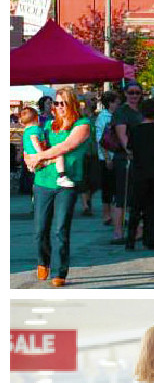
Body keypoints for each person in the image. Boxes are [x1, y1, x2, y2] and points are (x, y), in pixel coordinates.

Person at [23, 88, 93, 288]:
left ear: (72, 104)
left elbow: (66, 146)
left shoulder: (82, 124)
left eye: (63, 103)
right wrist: (29, 158)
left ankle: (59, 271)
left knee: (61, 228)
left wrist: (39, 157)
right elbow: (32, 145)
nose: (59, 107)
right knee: (40, 229)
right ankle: (42, 260)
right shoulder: (48, 125)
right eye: (56, 103)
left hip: (66, 182)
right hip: (43, 181)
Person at [125, 98, 154, 251]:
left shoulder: (135, 130)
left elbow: (130, 150)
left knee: (136, 208)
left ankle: (130, 240)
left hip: (139, 172)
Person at [111, 82, 146, 243]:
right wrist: (129, 151)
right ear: (125, 94)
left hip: (141, 157)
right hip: (124, 157)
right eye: (131, 92)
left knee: (137, 195)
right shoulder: (121, 112)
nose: (134, 96)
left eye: (137, 93)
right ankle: (118, 232)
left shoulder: (142, 110)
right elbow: (122, 135)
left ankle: (138, 229)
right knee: (122, 196)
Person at [21, 107, 73, 189]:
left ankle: (35, 171)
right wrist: (42, 154)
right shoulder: (35, 129)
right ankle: (62, 176)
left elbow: (26, 146)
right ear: (36, 118)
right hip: (38, 157)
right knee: (59, 156)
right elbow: (35, 141)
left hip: (30, 158)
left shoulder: (26, 131)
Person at [94, 90, 121, 227]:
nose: (119, 104)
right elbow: (101, 140)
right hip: (106, 157)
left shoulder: (117, 115)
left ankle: (116, 214)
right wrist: (107, 158)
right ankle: (107, 214)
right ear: (110, 103)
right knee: (107, 187)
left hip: (117, 155)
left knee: (117, 187)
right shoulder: (103, 117)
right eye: (117, 102)